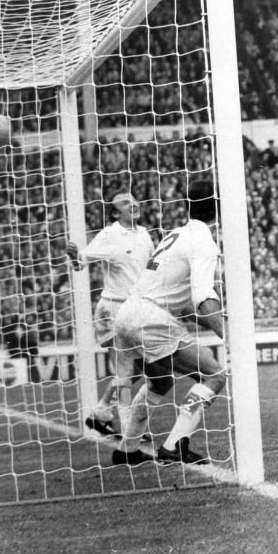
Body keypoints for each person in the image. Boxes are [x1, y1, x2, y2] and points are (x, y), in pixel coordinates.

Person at [111, 179, 226, 466]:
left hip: (127, 312)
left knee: (160, 380)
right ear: (218, 207)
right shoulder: (204, 241)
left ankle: (127, 448)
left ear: (188, 205)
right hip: (150, 318)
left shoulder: (175, 233)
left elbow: (181, 299)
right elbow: (203, 296)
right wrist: (229, 332)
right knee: (214, 374)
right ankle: (173, 446)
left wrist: (205, 320)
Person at [66, 192, 154, 437]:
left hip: (136, 309)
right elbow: (81, 262)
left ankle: (102, 412)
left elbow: (152, 266)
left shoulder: (145, 234)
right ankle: (128, 426)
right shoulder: (110, 234)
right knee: (126, 371)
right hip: (113, 308)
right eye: (126, 203)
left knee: (136, 371)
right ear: (116, 213)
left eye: (135, 199)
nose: (134, 203)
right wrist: (75, 256)